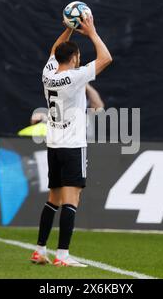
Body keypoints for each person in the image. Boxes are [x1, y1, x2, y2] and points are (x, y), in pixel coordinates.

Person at [30, 14, 112, 267]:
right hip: (72, 146)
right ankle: (62, 256)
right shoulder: (76, 77)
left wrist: (68, 29)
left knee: (52, 200)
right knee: (71, 200)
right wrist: (91, 32)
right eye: (78, 57)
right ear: (75, 58)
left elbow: (54, 51)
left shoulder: (48, 74)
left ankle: (39, 250)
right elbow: (106, 58)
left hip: (53, 146)